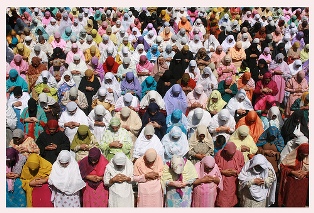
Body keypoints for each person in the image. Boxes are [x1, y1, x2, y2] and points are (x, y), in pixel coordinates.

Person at [215, 142, 245, 207]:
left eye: (232, 155)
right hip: (222, 182)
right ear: (225, 151)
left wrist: (236, 171)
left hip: (234, 181)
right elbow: (214, 168)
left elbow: (243, 167)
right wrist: (222, 172)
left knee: (232, 199)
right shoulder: (219, 154)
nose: (231, 157)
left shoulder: (239, 154)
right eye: (229, 155)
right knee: (222, 200)